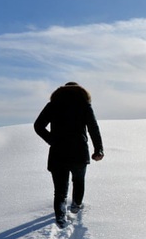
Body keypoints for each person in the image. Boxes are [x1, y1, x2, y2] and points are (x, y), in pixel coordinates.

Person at [34, 82, 104, 228]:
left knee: (59, 190)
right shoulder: (84, 105)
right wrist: (99, 150)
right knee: (78, 181)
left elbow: (38, 126)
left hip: (58, 152)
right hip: (79, 152)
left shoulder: (53, 105)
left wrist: (52, 140)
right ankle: (76, 206)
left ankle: (60, 217)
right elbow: (93, 128)